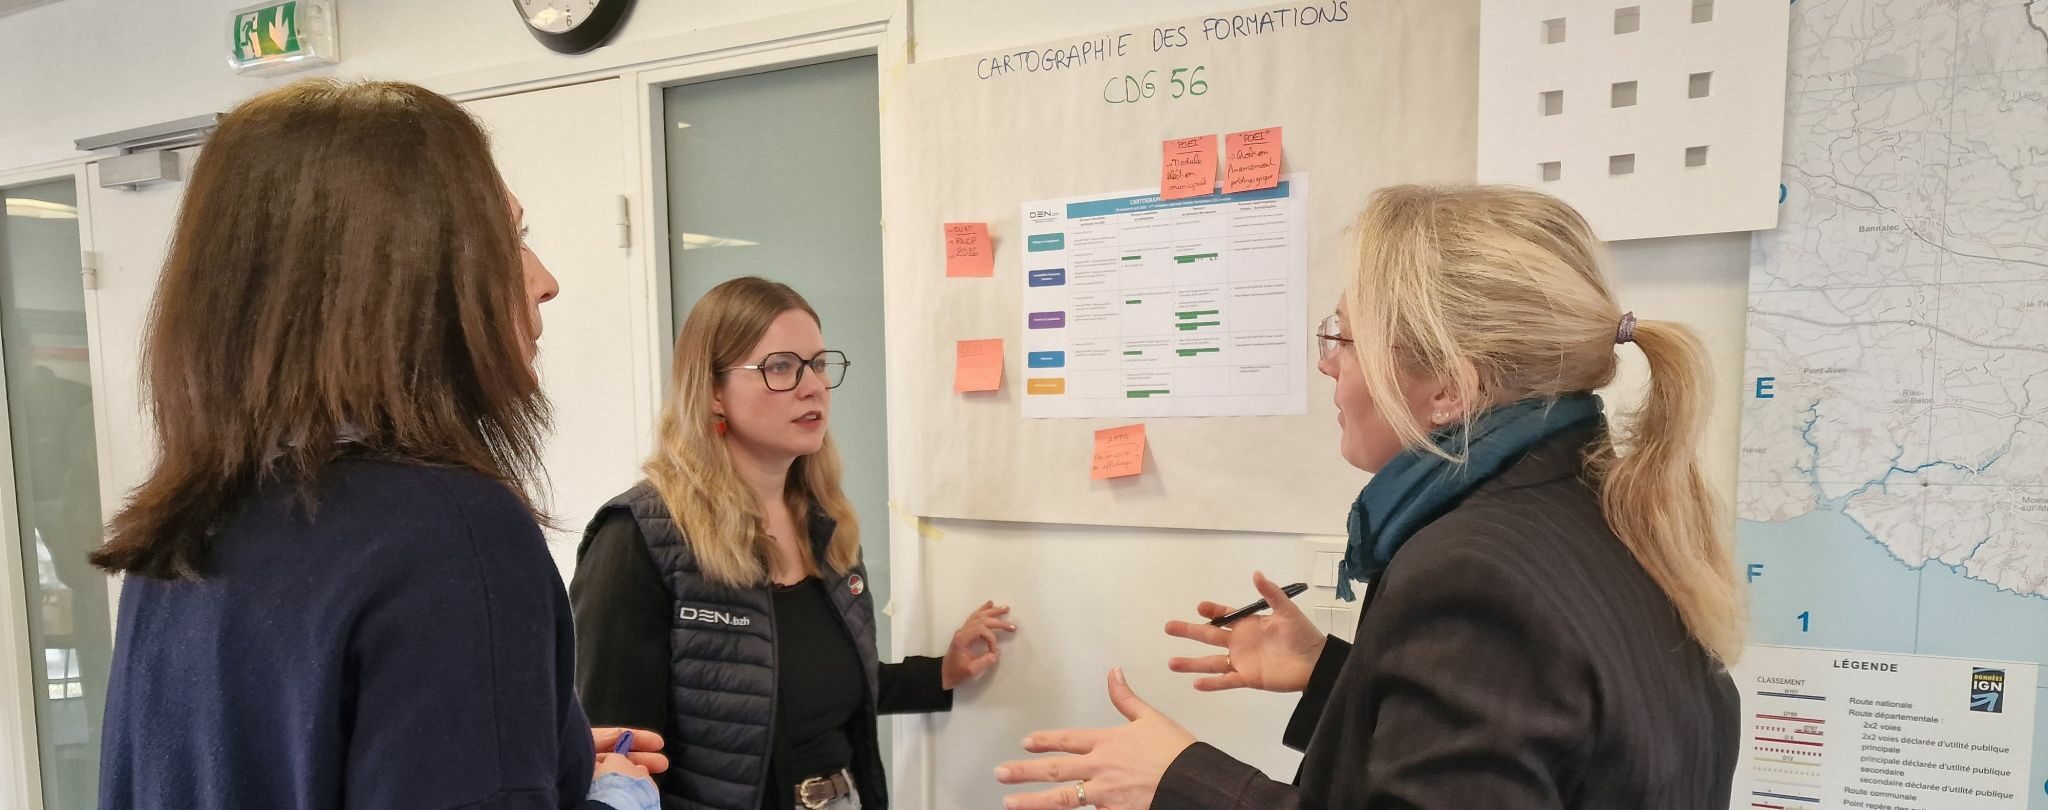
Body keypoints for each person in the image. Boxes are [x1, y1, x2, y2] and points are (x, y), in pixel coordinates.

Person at [995, 184, 1743, 809]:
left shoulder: (1474, 575)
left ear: (1448, 388)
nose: (1328, 366)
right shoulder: (1606, 508)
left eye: (1343, 339)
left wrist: (1181, 781)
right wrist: (1340, 675)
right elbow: (1540, 744)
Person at [92, 79, 666, 810]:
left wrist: (536, 756)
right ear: (403, 278)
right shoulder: (451, 533)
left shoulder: (180, 531)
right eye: (510, 240)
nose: (545, 281)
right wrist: (618, 797)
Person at [572, 276, 1015, 810]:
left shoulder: (824, 521)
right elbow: (618, 758)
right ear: (713, 392)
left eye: (819, 364)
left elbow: (811, 686)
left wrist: (939, 674)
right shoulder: (639, 537)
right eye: (780, 367)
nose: (814, 387)